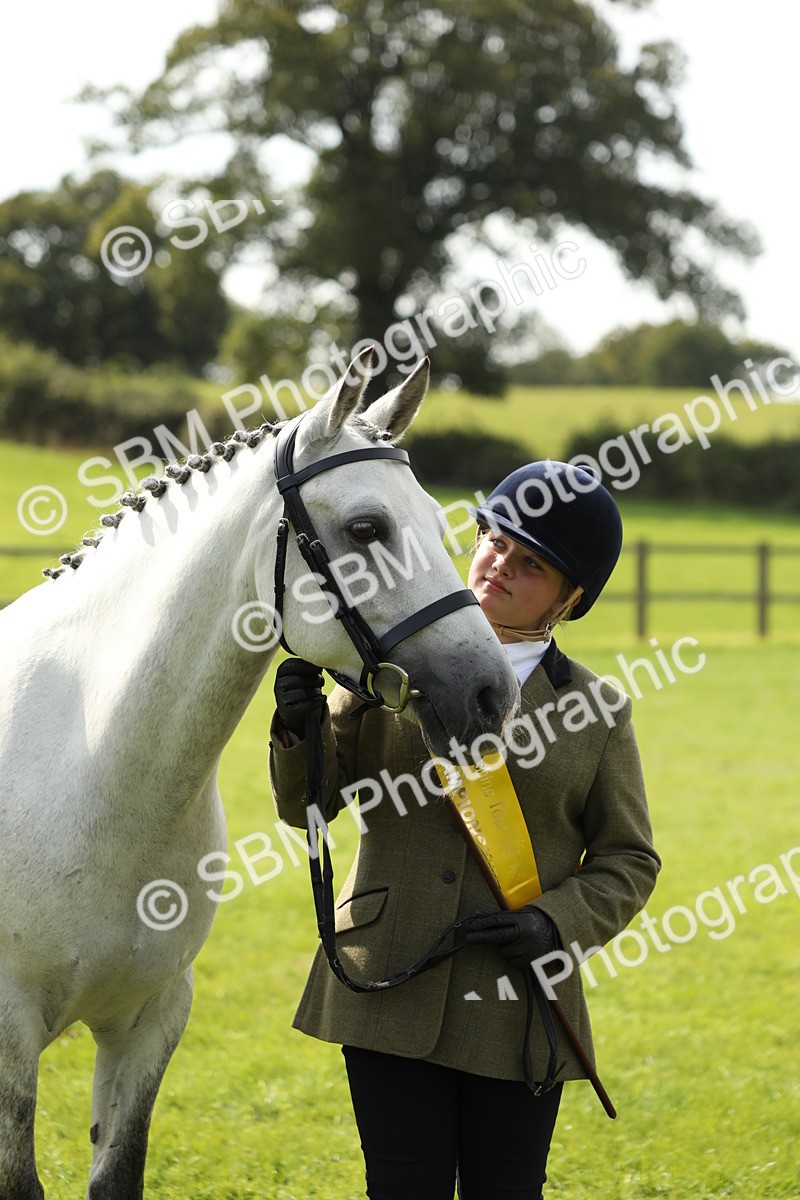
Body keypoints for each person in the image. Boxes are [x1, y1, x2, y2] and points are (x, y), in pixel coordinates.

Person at [268, 461, 660, 1200]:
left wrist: (555, 921)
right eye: (495, 542)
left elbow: (629, 860)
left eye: (532, 564)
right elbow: (310, 809)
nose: (499, 567)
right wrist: (300, 731)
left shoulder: (599, 711)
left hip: (516, 1000)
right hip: (388, 975)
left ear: (571, 598)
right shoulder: (385, 675)